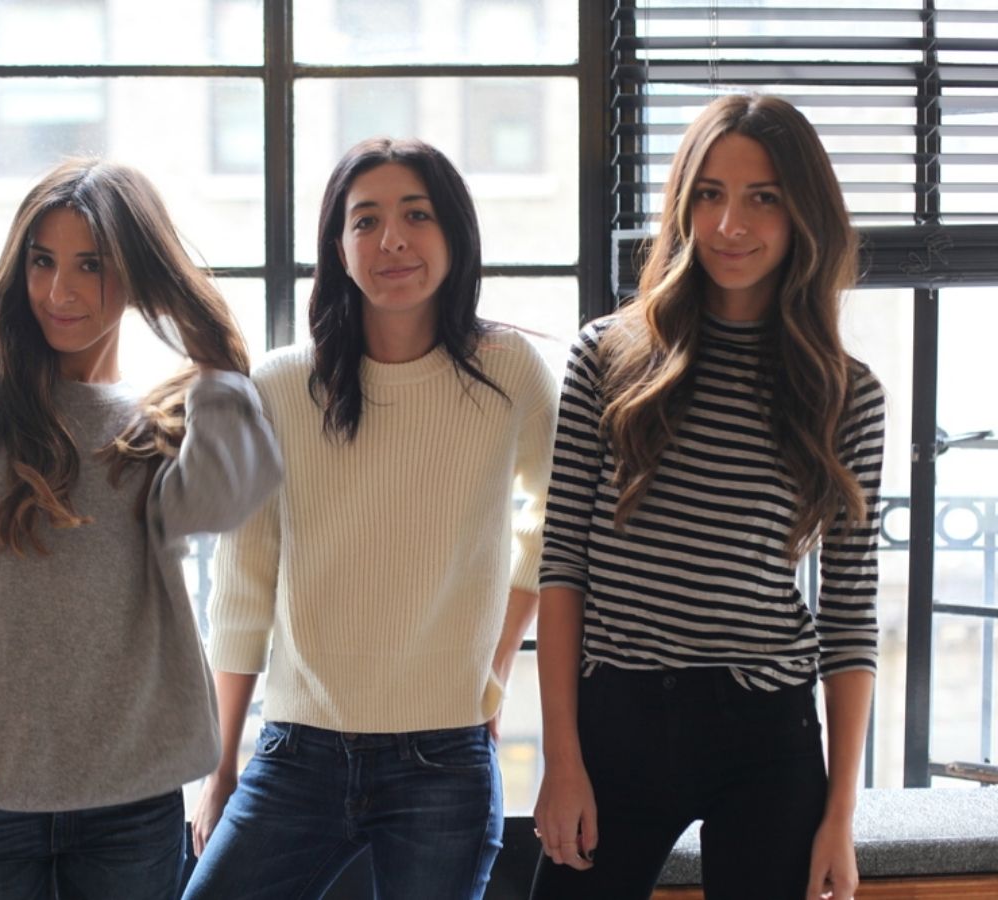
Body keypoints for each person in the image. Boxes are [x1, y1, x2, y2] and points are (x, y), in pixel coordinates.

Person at [0, 159, 282, 900]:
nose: (61, 291)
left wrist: (206, 343)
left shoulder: (155, 428)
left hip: (131, 805)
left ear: (139, 275)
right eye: (42, 261)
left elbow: (229, 497)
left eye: (93, 265)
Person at [180, 137, 559, 900]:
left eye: (417, 215)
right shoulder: (281, 385)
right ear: (338, 248)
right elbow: (244, 585)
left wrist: (497, 658)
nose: (392, 240)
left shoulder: (509, 372)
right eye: (366, 221)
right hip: (297, 752)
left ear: (454, 233)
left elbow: (560, 521)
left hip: (444, 759)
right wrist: (219, 770)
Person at [531, 94, 886, 900]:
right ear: (683, 204)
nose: (730, 224)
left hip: (766, 730)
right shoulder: (606, 356)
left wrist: (839, 815)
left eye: (764, 198)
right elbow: (563, 567)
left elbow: (849, 616)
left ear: (804, 214)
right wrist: (562, 757)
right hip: (617, 715)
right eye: (710, 194)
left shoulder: (845, 395)